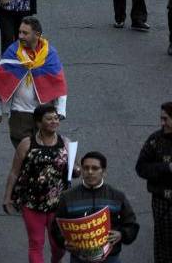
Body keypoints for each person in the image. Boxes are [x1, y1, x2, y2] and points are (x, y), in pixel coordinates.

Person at [3, 104, 74, 263]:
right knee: (36, 243)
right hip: (31, 202)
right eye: (49, 119)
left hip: (58, 204)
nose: (54, 121)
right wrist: (7, 198)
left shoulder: (66, 143)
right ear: (38, 123)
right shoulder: (26, 144)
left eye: (56, 118)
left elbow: (74, 170)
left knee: (58, 245)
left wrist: (76, 170)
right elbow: (14, 172)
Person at [0, 17, 68, 147]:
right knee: (25, 154)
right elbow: (0, 83)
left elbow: (59, 85)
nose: (20, 36)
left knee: (42, 154)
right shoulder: (12, 53)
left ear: (37, 35)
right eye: (20, 32)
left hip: (45, 116)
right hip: (19, 114)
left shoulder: (50, 55)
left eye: (25, 33)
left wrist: (60, 110)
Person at [51, 151, 139, 262]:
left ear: (104, 172)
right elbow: (55, 227)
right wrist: (64, 242)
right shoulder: (67, 197)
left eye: (95, 168)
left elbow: (131, 224)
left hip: (110, 257)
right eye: (86, 168)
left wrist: (121, 234)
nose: (90, 172)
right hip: (79, 258)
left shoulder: (117, 196)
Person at [136, 101, 172, 261]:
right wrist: (166, 167)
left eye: (166, 119)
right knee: (164, 245)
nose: (162, 123)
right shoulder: (155, 141)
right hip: (163, 203)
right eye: (161, 118)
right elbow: (141, 168)